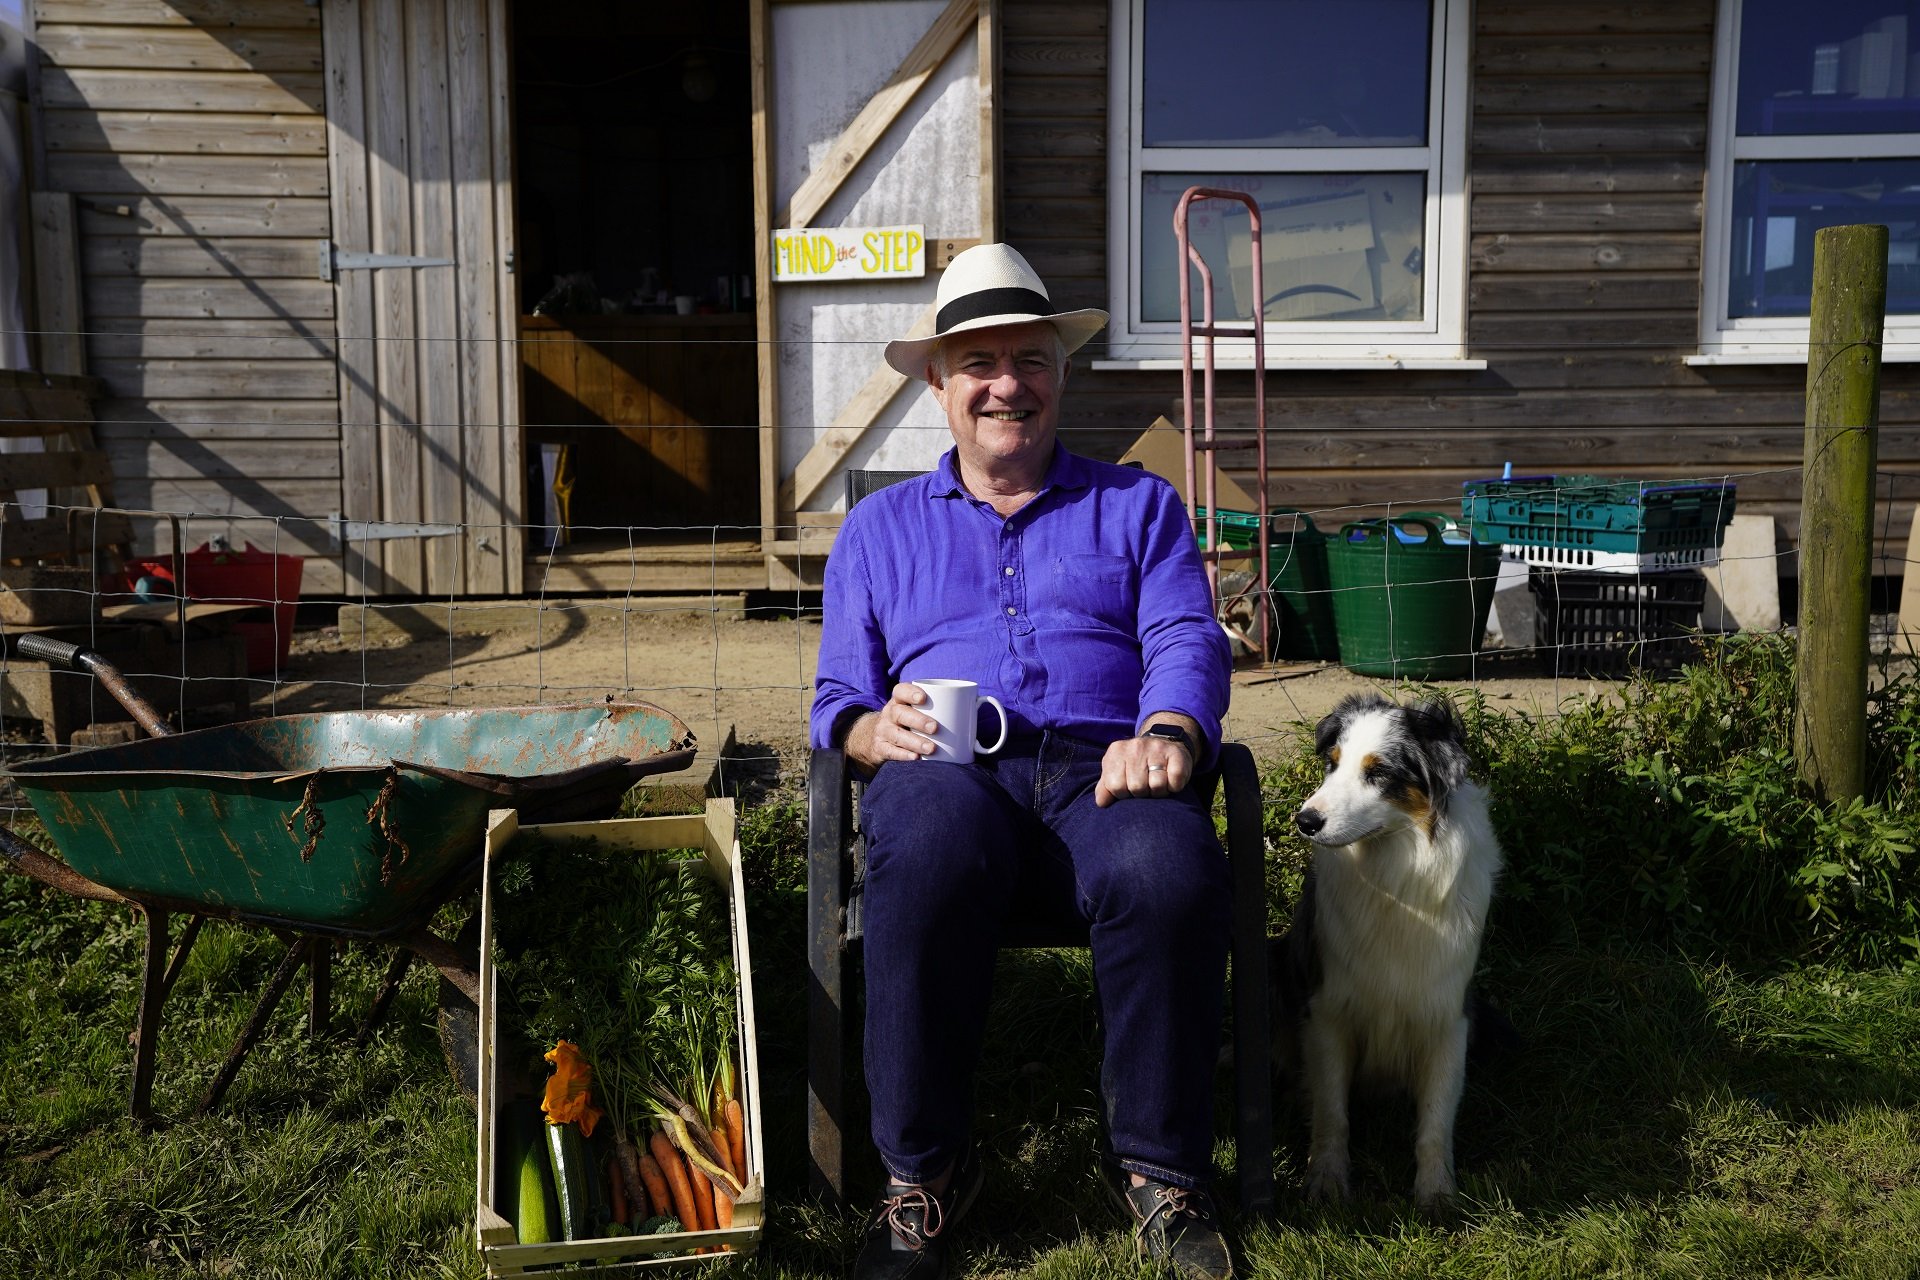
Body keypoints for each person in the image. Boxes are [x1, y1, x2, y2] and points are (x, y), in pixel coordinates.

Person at [810, 243, 1236, 1280]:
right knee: (920, 842)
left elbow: (1187, 634)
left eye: (1031, 360)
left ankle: (1159, 1170)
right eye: (979, 364)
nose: (1009, 385)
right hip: (947, 770)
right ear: (939, 385)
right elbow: (835, 699)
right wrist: (869, 734)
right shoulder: (875, 529)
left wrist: (1172, 729)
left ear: (1060, 372)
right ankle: (924, 1176)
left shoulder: (1139, 508)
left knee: (1169, 865)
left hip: (1103, 766)